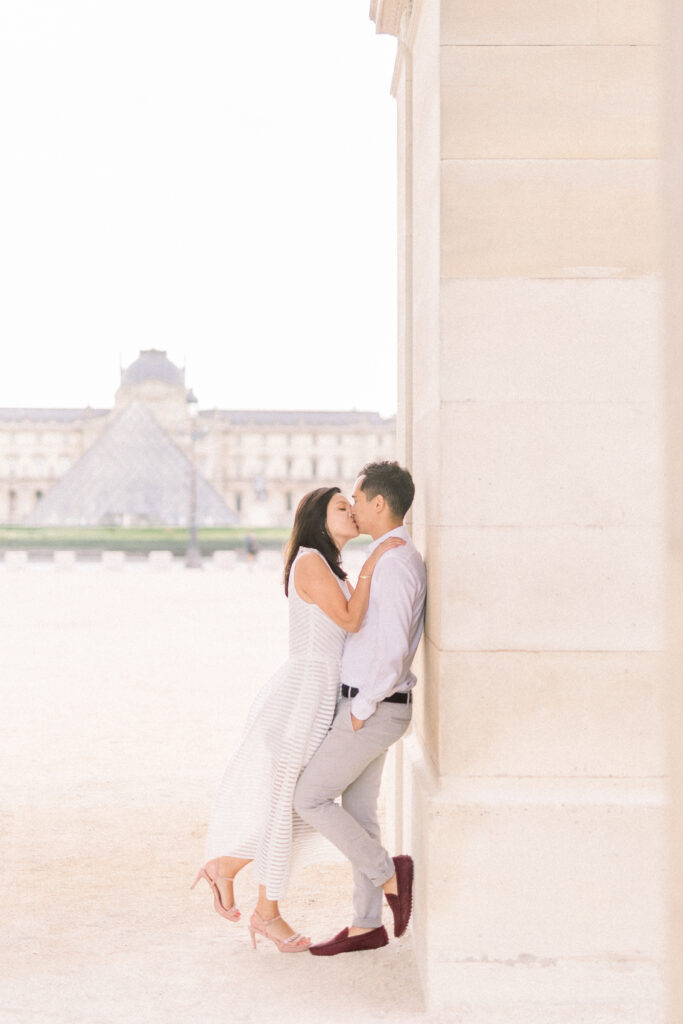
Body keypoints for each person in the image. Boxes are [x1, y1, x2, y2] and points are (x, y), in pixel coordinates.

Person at [191, 485, 403, 953]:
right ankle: (265, 910)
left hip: (318, 695)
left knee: (299, 807)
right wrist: (375, 563)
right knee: (297, 803)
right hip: (303, 698)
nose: (351, 512)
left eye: (352, 506)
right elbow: (350, 621)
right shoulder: (311, 560)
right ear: (316, 518)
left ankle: (231, 868)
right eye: (340, 508)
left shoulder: (328, 566)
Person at [293, 461, 426, 955]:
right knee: (360, 812)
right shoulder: (387, 556)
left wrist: (361, 708)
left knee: (309, 798)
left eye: (355, 498)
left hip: (372, 708)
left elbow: (392, 647)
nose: (351, 506)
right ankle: (367, 923)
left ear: (378, 503)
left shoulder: (393, 561)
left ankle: (390, 872)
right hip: (377, 706)